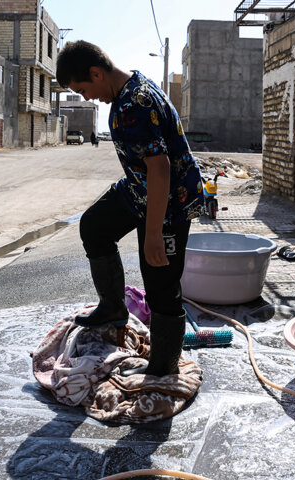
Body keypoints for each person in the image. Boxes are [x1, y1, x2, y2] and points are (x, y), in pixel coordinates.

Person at [56, 40, 204, 377]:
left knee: (160, 284)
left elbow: (161, 168)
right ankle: (112, 308)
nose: (86, 97)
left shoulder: (134, 103)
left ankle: (163, 370)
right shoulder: (128, 88)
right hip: (140, 189)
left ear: (96, 72)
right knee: (94, 226)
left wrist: (153, 234)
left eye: (84, 89)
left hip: (170, 200)